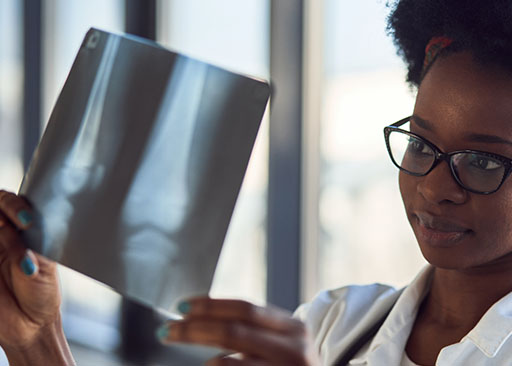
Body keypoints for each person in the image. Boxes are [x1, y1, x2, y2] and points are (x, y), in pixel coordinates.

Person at [2, 0, 512, 364]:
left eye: (484, 162)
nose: (433, 187)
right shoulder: (332, 323)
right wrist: (34, 339)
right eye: (420, 145)